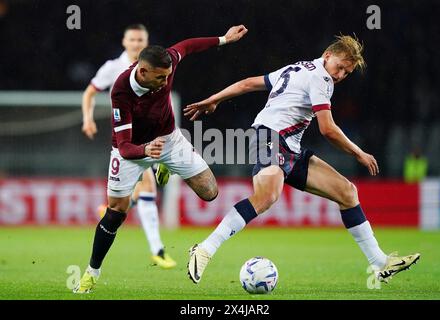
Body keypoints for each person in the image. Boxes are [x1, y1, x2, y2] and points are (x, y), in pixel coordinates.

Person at [184, 34, 420, 284]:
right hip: (270, 136)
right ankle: (205, 249)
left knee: (347, 192)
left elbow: (248, 84)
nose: (340, 75)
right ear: (327, 55)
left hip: (290, 148)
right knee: (267, 196)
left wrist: (214, 99)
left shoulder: (297, 67)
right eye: (340, 67)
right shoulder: (320, 77)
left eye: (347, 73)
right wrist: (359, 152)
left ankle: (380, 262)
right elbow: (327, 129)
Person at [74, 24, 248, 293]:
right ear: (142, 72)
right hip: (132, 150)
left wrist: (224, 39)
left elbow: (187, 45)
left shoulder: (166, 62)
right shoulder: (121, 90)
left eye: (168, 76)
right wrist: (145, 151)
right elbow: (124, 146)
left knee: (210, 192)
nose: (166, 82)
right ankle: (92, 271)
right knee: (115, 213)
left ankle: (165, 165)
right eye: (160, 78)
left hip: (169, 140)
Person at [81, 24, 175, 270]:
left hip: (148, 135)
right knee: (147, 185)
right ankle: (157, 249)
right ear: (124, 42)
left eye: (141, 39)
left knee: (145, 188)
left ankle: (154, 245)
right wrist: (88, 118)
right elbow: (89, 93)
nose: (136, 44)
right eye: (132, 39)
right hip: (124, 138)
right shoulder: (113, 68)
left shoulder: (153, 69)